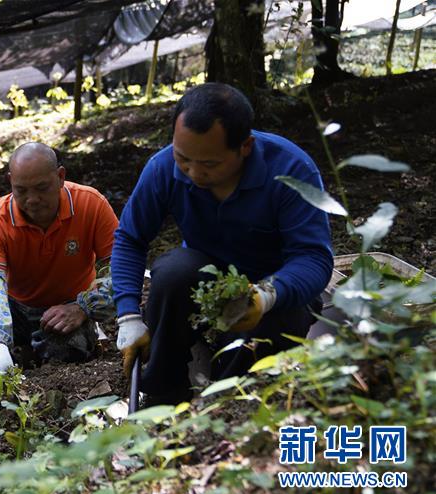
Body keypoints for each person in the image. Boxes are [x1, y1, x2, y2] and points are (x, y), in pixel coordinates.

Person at [111, 83, 333, 406]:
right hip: (205, 280)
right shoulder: (163, 169)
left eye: (210, 164)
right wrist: (128, 315)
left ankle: (230, 406)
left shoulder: (291, 171)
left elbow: (314, 258)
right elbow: (130, 238)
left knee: (278, 323)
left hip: (273, 289)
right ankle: (162, 396)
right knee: (172, 272)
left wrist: (267, 295)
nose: (193, 172)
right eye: (183, 158)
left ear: (245, 146)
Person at [0, 142, 119, 389]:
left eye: (42, 188)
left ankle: (73, 335)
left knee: (66, 352)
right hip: (13, 307)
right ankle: (14, 346)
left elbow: (122, 270)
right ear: (10, 181)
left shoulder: (91, 205)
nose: (32, 200)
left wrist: (84, 307)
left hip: (67, 305)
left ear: (60, 176)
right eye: (21, 190)